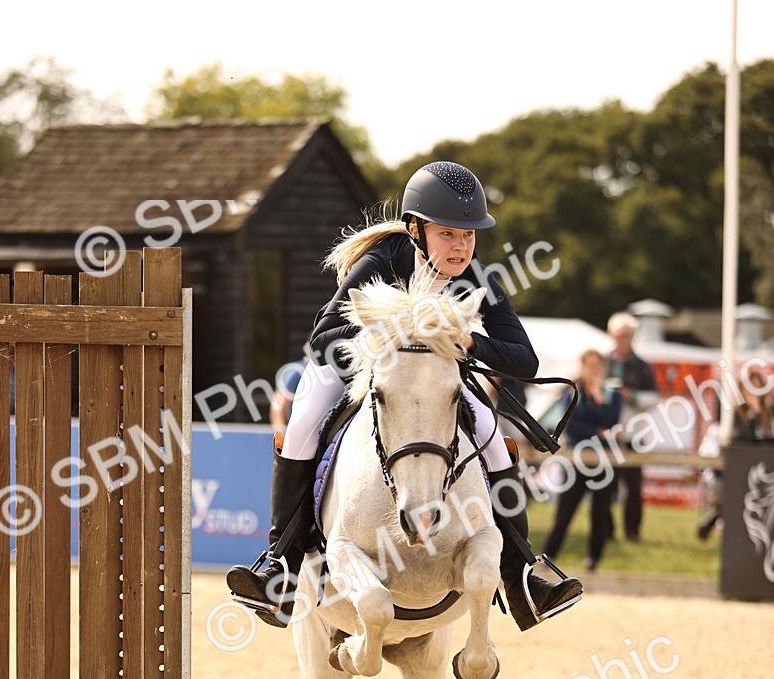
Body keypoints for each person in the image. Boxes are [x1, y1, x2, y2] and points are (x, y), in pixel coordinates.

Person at [227, 161, 583, 631]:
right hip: (361, 369)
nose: (461, 248)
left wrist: (469, 342)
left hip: (436, 380)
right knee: (302, 426)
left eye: (469, 236)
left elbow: (524, 359)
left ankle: (519, 578)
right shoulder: (384, 260)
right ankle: (282, 567)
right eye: (449, 234)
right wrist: (392, 334)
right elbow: (323, 338)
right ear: (416, 229)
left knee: (494, 441)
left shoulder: (476, 276)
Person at [543, 349, 622, 570]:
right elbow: (572, 425)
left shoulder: (611, 394)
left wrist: (598, 398)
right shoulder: (572, 393)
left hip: (604, 462)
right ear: (582, 366)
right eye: (590, 366)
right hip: (576, 460)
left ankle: (593, 560)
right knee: (565, 512)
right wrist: (599, 432)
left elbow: (613, 421)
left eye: (598, 367)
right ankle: (549, 556)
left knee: (600, 512)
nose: (594, 371)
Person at [605, 312, 658, 543]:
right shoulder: (603, 362)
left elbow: (654, 398)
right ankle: (606, 531)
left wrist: (631, 396)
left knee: (634, 488)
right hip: (606, 434)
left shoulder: (643, 366)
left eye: (626, 335)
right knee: (605, 486)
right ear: (611, 336)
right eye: (619, 335)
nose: (622, 339)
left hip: (633, 435)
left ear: (633, 336)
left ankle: (632, 531)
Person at [732, 365, 774, 442]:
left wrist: (758, 411)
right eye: (749, 388)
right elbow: (742, 438)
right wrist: (753, 413)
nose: (753, 392)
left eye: (756, 387)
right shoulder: (734, 414)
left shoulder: (770, 412)